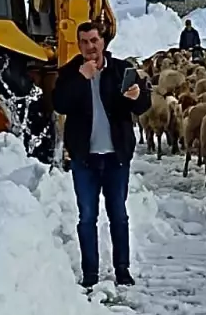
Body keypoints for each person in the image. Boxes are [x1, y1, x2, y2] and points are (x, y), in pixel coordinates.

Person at [52, 20, 151, 288]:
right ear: (79, 44)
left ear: (103, 42)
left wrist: (136, 96)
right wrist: (80, 78)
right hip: (85, 158)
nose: (89, 47)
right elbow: (59, 103)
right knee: (87, 217)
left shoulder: (121, 70)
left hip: (116, 156)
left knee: (118, 214)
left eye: (94, 41)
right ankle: (91, 274)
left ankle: (122, 269)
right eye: (84, 42)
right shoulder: (70, 72)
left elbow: (143, 105)